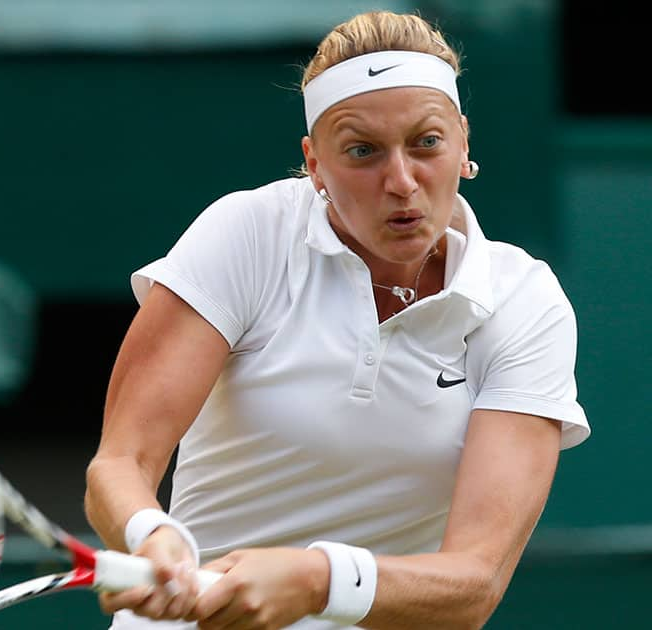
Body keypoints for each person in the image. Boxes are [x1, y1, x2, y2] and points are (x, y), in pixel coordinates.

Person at [83, 10, 590, 630]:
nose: (401, 181)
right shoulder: (246, 234)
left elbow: (475, 583)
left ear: (463, 141)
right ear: (315, 164)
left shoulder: (524, 301)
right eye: (362, 151)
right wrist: (152, 532)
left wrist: (317, 579)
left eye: (426, 142)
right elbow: (120, 465)